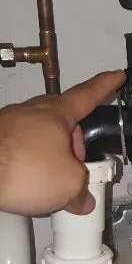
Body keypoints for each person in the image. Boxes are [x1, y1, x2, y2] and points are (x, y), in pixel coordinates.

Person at [0, 70, 125, 217]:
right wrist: (122, 76)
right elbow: (94, 89)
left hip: (60, 174)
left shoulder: (71, 180)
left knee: (84, 204)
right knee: (89, 93)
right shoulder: (53, 108)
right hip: (37, 115)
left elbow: (83, 205)